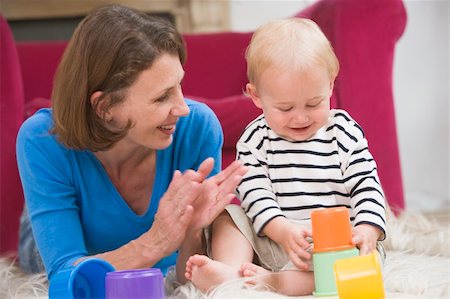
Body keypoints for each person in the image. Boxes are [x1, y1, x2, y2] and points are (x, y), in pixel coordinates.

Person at [16, 4, 248, 284]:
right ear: (105, 106)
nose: (182, 108)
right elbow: (64, 278)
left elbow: (189, 274)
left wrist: (192, 232)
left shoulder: (198, 127)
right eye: (162, 97)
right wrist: (154, 242)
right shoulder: (40, 140)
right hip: (52, 236)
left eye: (179, 86)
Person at [185, 18, 387, 296]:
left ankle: (277, 283)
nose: (301, 116)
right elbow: (255, 193)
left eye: (313, 103)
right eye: (285, 107)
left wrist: (366, 229)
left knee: (364, 260)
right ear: (256, 96)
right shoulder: (255, 138)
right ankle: (231, 270)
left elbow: (367, 184)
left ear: (330, 85)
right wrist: (281, 230)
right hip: (274, 236)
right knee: (228, 217)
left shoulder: (343, 131)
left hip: (333, 245)